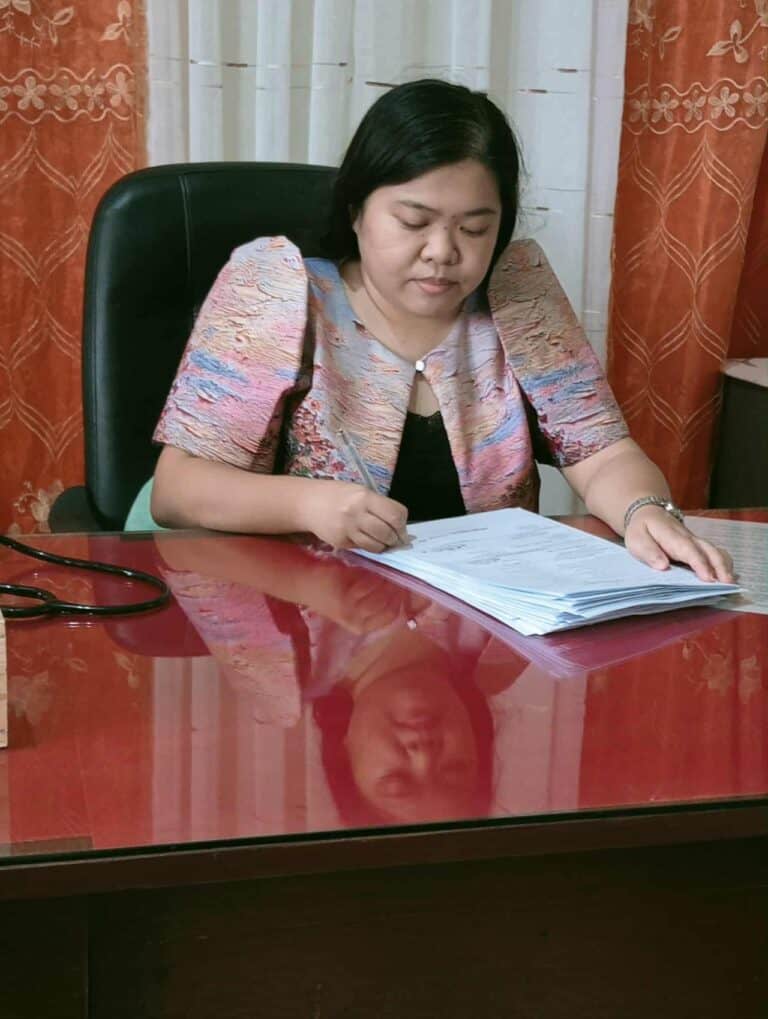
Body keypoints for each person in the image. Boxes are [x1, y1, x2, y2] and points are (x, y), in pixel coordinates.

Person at [151, 78, 732, 582]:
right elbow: (177, 490)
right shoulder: (278, 290)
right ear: (356, 210)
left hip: (482, 627)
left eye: (475, 228)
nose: (442, 252)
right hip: (310, 618)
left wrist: (645, 511)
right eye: (414, 221)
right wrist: (308, 503)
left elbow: (602, 454)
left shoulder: (516, 298)